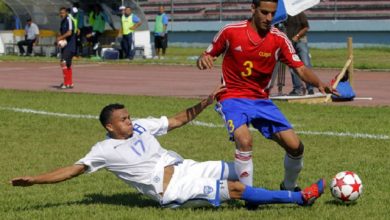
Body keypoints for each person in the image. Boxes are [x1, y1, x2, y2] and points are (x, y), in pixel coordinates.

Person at [10, 87, 325, 208]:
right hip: (172, 187)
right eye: (123, 120)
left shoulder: (142, 126)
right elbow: (71, 170)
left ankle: (259, 200)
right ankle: (297, 197)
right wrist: (34, 179)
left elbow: (176, 120)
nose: (130, 122)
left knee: (239, 170)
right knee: (237, 188)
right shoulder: (102, 151)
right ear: (109, 127)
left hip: (186, 166)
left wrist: (206, 101)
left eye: (129, 116)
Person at [197, 0, 336, 205]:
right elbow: (206, 56)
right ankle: (250, 197)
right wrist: (202, 60)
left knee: (296, 147)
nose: (269, 18)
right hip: (231, 97)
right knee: (244, 140)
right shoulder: (230, 32)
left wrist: (320, 84)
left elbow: (300, 68)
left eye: (272, 14)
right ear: (253, 9)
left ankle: (288, 186)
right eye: (264, 13)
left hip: (261, 101)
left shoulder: (278, 39)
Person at [285, 12, 314, 96]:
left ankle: (310, 87)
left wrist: (297, 36)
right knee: (292, 65)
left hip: (301, 40)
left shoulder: (300, 13)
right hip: (289, 42)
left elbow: (306, 27)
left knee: (306, 63)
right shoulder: (283, 16)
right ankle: (298, 88)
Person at [57, 7, 76, 89]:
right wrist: (59, 41)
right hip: (65, 46)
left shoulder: (69, 19)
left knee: (63, 62)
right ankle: (70, 83)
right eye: (60, 13)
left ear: (66, 13)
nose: (61, 14)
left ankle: (66, 83)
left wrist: (60, 38)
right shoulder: (62, 22)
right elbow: (61, 33)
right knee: (68, 64)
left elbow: (69, 32)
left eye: (63, 13)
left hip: (70, 45)